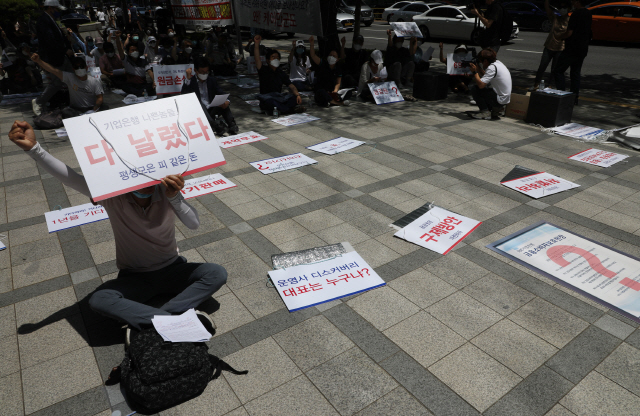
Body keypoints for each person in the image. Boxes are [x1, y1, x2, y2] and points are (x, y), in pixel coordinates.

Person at [7, 121, 224, 334]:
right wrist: (35, 149)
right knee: (100, 300)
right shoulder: (112, 197)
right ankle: (173, 321)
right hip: (135, 277)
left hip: (174, 267)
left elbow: (193, 224)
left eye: (150, 176)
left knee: (216, 273)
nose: (146, 183)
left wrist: (175, 197)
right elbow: (71, 178)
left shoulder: (166, 191)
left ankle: (163, 319)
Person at [31, 53, 103, 118]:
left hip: (91, 108)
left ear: (86, 68)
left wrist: (96, 107)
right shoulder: (69, 77)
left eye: (81, 66)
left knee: (105, 107)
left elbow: (99, 97)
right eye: (76, 67)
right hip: (76, 109)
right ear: (73, 69)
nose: (79, 69)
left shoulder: (94, 81)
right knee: (66, 111)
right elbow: (53, 70)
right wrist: (39, 61)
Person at [32, 0, 73, 116]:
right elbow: (50, 40)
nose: (58, 12)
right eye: (57, 9)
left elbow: (58, 37)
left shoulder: (52, 20)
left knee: (72, 78)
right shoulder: (43, 21)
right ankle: (39, 101)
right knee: (57, 82)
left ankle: (75, 100)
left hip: (61, 56)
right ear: (50, 8)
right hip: (53, 57)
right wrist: (65, 50)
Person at [182, 57, 239, 135]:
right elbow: (183, 96)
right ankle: (215, 126)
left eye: (206, 72)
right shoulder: (191, 82)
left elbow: (221, 92)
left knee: (223, 102)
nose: (204, 74)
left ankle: (232, 124)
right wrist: (187, 79)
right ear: (195, 70)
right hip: (199, 113)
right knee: (199, 104)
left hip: (211, 109)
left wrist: (227, 101)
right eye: (202, 72)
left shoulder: (211, 80)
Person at [551, 0, 592, 105]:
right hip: (582, 48)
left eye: (574, 1)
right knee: (575, 73)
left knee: (558, 71)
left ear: (578, 2)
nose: (573, 3)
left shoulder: (575, 14)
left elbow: (569, 32)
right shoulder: (588, 13)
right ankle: (574, 97)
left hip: (572, 48)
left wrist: (560, 37)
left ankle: (562, 94)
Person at [253, 34, 303, 115]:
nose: (276, 59)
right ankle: (290, 110)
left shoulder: (281, 73)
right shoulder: (263, 69)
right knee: (270, 102)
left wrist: (298, 95)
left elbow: (291, 86)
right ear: (268, 60)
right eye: (273, 57)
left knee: (293, 98)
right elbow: (257, 58)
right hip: (267, 98)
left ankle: (281, 110)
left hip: (279, 98)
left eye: (277, 58)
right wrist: (256, 44)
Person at [531, 0, 570, 90]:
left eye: (564, 8)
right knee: (542, 67)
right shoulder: (555, 18)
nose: (562, 10)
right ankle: (536, 84)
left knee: (554, 69)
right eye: (560, 8)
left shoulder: (570, 21)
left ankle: (550, 86)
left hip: (560, 48)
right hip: (549, 46)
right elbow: (547, 8)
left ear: (568, 9)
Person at [468, 48, 512, 120]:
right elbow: (486, 76)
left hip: (499, 100)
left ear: (485, 60)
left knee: (475, 89)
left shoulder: (492, 68)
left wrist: (474, 72)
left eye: (482, 62)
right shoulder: (498, 63)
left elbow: (481, 85)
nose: (482, 64)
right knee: (486, 88)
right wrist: (478, 68)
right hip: (503, 99)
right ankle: (496, 110)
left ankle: (485, 112)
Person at [308, 36, 351, 107]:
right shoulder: (323, 63)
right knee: (320, 93)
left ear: (337, 59)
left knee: (349, 92)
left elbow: (338, 83)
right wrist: (312, 44)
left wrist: (335, 91)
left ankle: (330, 101)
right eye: (330, 55)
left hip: (331, 91)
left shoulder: (338, 68)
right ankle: (337, 103)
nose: (332, 56)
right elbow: (313, 55)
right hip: (322, 90)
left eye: (334, 56)